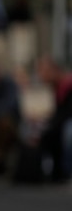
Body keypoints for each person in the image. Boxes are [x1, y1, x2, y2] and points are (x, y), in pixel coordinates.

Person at [32, 55, 72, 183]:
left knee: (67, 131)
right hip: (63, 121)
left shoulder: (67, 85)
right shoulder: (56, 87)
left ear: (54, 70)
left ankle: (66, 170)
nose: (41, 75)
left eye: (43, 71)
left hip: (68, 124)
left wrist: (48, 126)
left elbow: (66, 114)